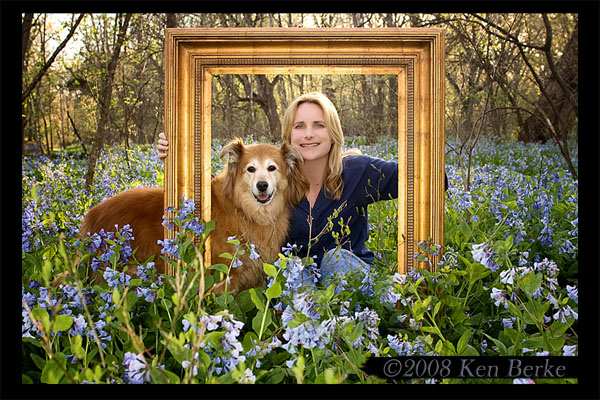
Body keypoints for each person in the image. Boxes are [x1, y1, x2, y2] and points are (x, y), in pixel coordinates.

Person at [157, 91, 399, 287]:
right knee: (294, 272)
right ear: (288, 136)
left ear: (333, 132)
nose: (309, 134)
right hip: (301, 283)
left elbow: (414, 177)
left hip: (350, 279)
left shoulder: (360, 171)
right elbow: (224, 187)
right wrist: (175, 158)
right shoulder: (280, 181)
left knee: (336, 261)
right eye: (299, 126)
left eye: (319, 125)